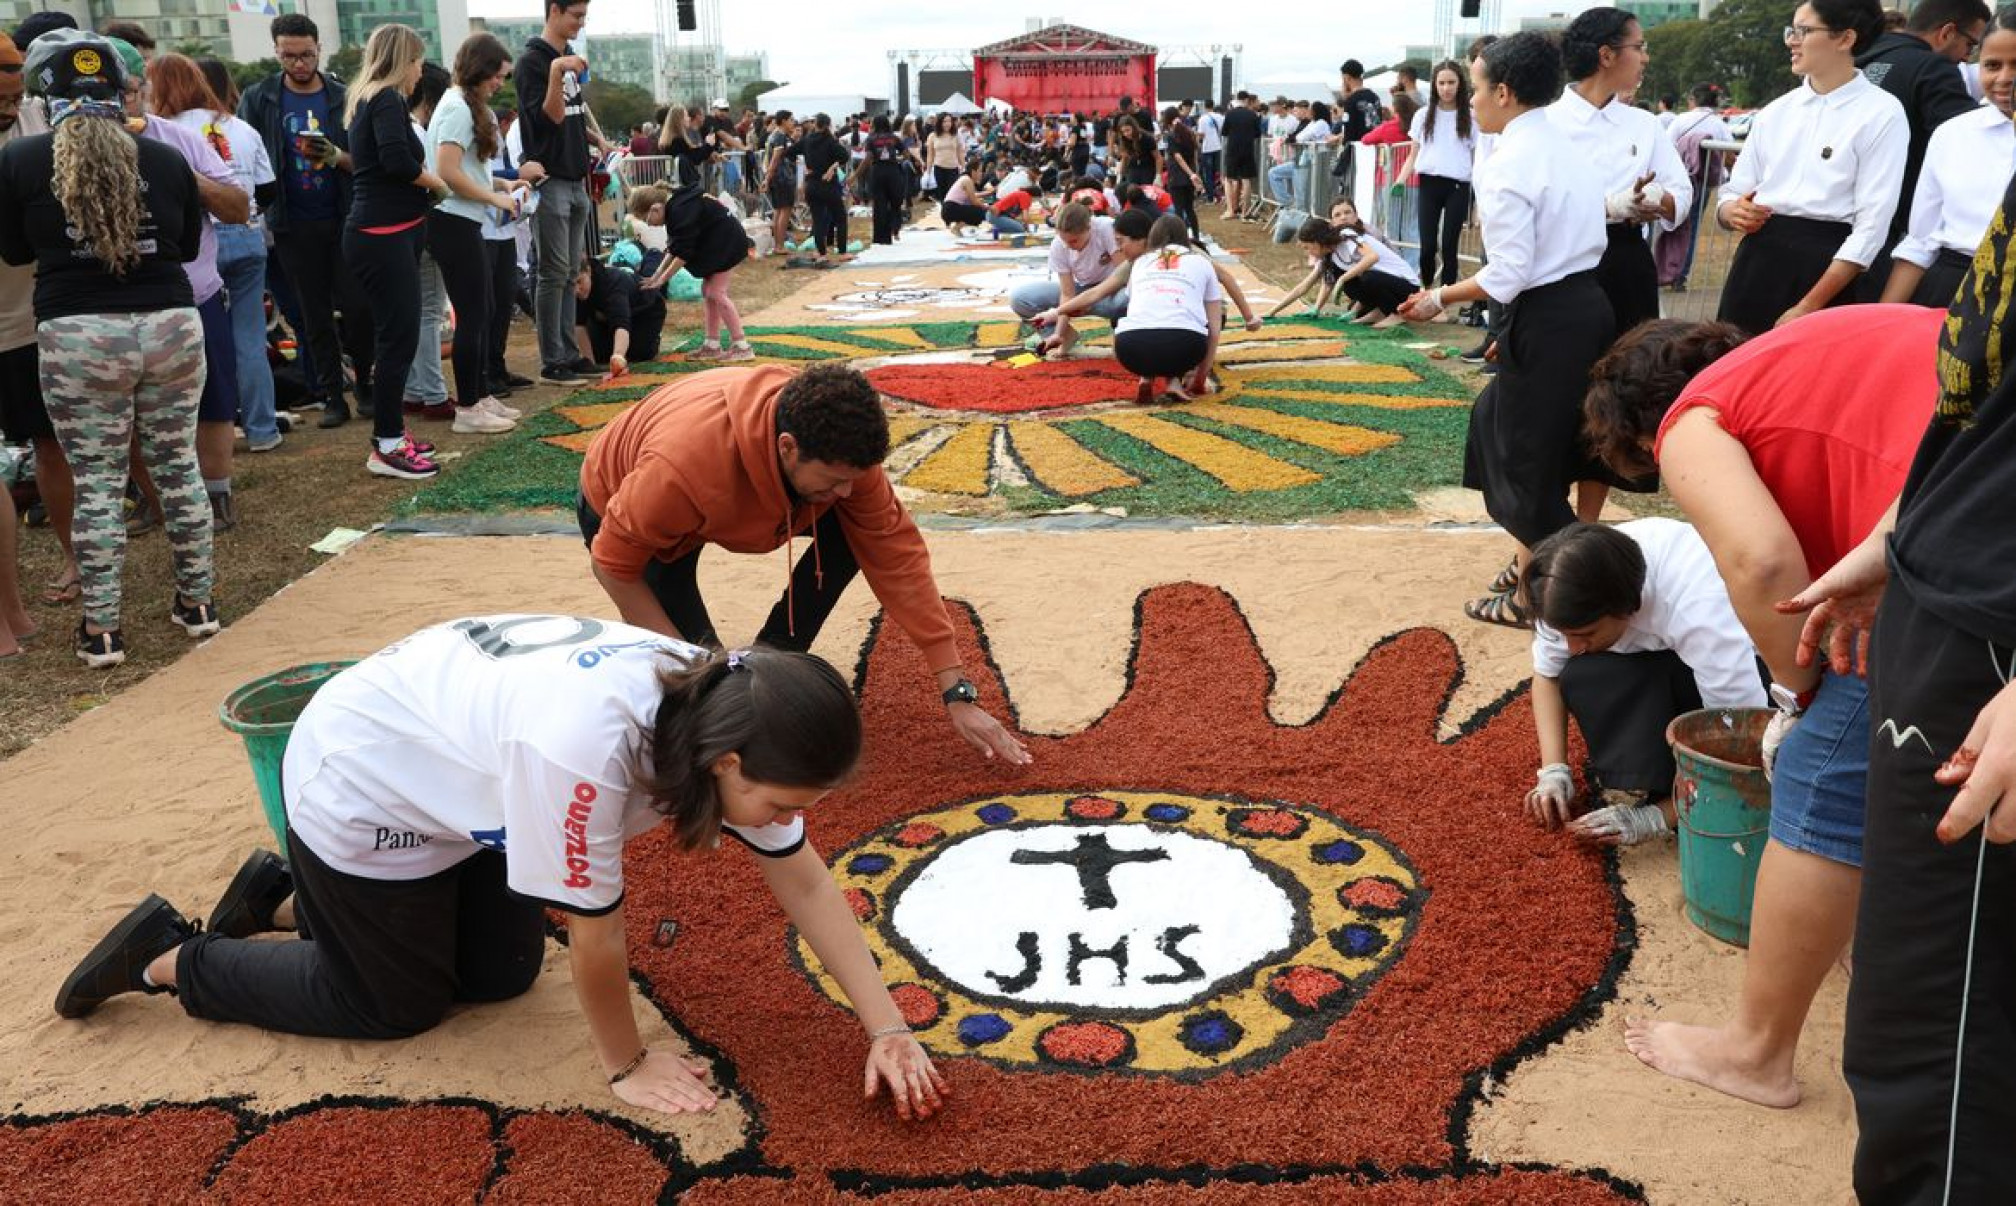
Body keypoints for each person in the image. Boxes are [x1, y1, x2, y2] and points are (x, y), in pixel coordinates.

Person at [53, 625, 950, 1123]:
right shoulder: (588, 756)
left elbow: (805, 882)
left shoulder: (727, 707)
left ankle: (287, 898)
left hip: (460, 785)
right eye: (781, 800)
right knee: (390, 1006)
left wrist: (884, 1027)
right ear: (723, 765)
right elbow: (601, 939)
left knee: (503, 975)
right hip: (364, 788)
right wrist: (626, 1064)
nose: (790, 820)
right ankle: (170, 956)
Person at [1575, 305, 1943, 1111]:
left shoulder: (1695, 417)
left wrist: (1798, 693)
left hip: (1959, 555)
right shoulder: (1818, 344)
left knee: (1821, 783)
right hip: (1971, 517)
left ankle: (1757, 1053)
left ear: (1644, 431)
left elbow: (1763, 558)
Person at [1778, 162, 2016, 1206]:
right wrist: (1899, 532)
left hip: (1993, 644)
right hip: (1951, 579)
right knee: (1914, 1033)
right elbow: (1985, 387)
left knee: (1944, 1058)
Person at [576, 363, 1032, 765]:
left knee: (856, 533)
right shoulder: (682, 468)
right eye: (835, 481)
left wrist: (955, 688)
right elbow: (614, 563)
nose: (847, 492)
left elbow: (897, 556)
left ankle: (775, 657)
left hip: (712, 488)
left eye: (854, 480)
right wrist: (688, 667)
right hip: (624, 507)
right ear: (788, 447)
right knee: (711, 697)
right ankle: (713, 685)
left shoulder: (842, 454)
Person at [0, 31, 222, 667]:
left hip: (78, 332)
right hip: (172, 324)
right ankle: (198, 604)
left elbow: (15, 251)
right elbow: (180, 245)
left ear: (47, 95)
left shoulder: (19, 161)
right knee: (177, 465)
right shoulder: (162, 157)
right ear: (119, 91)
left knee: (96, 480)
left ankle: (103, 632)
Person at [1396, 32, 1613, 628]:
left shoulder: (1511, 162)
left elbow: (1510, 272)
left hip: (1549, 316)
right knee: (1510, 432)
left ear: (1505, 92)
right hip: (1579, 308)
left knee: (1524, 460)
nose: (1469, 100)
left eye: (1475, 87)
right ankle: (1538, 567)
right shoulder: (1565, 144)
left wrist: (1438, 297)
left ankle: (1562, 582)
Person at [1521, 519, 1766, 846]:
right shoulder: (1563, 587)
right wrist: (1553, 769)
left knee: (1764, 754)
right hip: (1662, 656)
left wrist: (1657, 817)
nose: (1572, 647)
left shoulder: (1700, 611)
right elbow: (1547, 675)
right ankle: (1659, 775)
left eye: (1584, 635)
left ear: (1628, 608)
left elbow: (1742, 737)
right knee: (1580, 674)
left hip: (1751, 665)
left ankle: (1677, 794)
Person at [1713, 0, 1907, 335]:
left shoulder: (1882, 113)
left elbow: (1871, 226)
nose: (1791, 40)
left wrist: (1810, 305)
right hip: (1758, 259)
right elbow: (1732, 191)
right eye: (1791, 30)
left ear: (1845, 38)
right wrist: (1732, 211)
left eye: (1803, 30)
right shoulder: (1775, 112)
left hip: (1829, 267)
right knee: (1733, 366)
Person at [237, 11, 375, 428]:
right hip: (292, 223)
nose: (299, 63)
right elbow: (249, 156)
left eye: (306, 55)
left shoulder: (341, 96)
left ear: (319, 50)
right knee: (312, 315)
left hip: (343, 216)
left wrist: (336, 156)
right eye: (289, 56)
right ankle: (333, 395)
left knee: (358, 307)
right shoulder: (259, 98)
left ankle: (365, 385)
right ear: (277, 53)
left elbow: (366, 161)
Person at [343, 24, 448, 480]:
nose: (420, 71)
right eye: (418, 61)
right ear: (403, 60)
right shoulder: (384, 98)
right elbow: (397, 162)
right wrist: (435, 182)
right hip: (381, 233)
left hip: (390, 231)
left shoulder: (371, 99)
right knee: (398, 338)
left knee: (398, 336)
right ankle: (386, 444)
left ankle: (391, 433)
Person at [1551, 7, 1693, 338]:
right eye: (1639, 47)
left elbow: (1682, 194)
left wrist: (1656, 199)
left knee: (1631, 369)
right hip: (1564, 262)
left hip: (1628, 260)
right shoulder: (1546, 124)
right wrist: (1610, 205)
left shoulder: (1645, 124)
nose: (1646, 57)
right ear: (1606, 55)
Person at [0, 28, 77, 618]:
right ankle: (13, 610)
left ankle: (77, 560)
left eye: (14, 81)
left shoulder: (43, 123)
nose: (9, 100)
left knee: (54, 447)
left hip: (39, 320)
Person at [1852, 0, 1991, 300]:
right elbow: (1971, 143)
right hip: (1887, 230)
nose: (1968, 57)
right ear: (1947, 32)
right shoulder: (1934, 68)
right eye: (1970, 45)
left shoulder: (1858, 58)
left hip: (1834, 223)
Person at [1881, 7, 2014, 309]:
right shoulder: (1953, 134)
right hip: (1952, 292)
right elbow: (1920, 241)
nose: (2005, 78)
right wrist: (1885, 315)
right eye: (1992, 65)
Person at [429, 32, 526, 435]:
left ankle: (479, 393)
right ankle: (467, 407)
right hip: (452, 219)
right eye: (497, 76)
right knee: (473, 314)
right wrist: (495, 197)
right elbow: (446, 171)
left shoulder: (465, 105)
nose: (500, 84)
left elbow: (465, 168)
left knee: (483, 309)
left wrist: (501, 186)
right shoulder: (456, 107)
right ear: (479, 69)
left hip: (463, 218)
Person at [189, 58, 284, 457]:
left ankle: (214, 435)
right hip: (247, 234)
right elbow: (268, 188)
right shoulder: (244, 128)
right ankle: (262, 429)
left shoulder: (169, 127)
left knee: (205, 343)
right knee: (250, 338)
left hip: (200, 240)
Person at [515, 0, 596, 386]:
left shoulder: (566, 57)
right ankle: (553, 361)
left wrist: (594, 140)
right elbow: (549, 118)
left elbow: (574, 114)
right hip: (550, 180)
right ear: (554, 12)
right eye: (576, 15)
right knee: (551, 272)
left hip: (576, 177)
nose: (581, 23)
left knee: (567, 273)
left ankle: (569, 352)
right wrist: (555, 71)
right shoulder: (534, 61)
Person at [1007, 201, 1127, 358]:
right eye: (1064, 240)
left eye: (1074, 241)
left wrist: (1087, 300)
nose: (1069, 246)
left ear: (1089, 227)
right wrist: (1058, 334)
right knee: (1020, 298)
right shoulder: (1059, 245)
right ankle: (1067, 337)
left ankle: (1124, 332)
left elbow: (1124, 275)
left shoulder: (1106, 228)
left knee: (1129, 297)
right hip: (1083, 291)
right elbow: (1067, 294)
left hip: (1114, 291)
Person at [1397, 60, 1478, 289]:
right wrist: (1400, 180)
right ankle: (1426, 290)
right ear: (1434, 85)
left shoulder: (1471, 117)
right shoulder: (1423, 115)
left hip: (1458, 186)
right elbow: (1413, 154)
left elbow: (1476, 157)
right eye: (1441, 83)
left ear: (1460, 84)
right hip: (1429, 184)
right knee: (1428, 246)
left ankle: (1444, 297)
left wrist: (1479, 195)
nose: (1446, 88)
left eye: (1451, 82)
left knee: (1449, 245)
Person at [1272, 211, 1419, 326]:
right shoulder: (1330, 255)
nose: (1308, 253)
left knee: (1365, 277)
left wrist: (1343, 279)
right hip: (1385, 284)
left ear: (1318, 241)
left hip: (1407, 286)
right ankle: (1380, 312)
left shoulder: (1346, 236)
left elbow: (1372, 257)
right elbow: (1303, 286)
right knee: (1350, 283)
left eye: (1308, 247)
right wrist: (1272, 312)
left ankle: (1396, 314)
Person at [662, 183, 753, 361]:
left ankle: (742, 345)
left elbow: (682, 252)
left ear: (656, 207)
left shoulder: (681, 210)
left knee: (716, 293)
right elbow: (675, 248)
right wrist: (658, 277)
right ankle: (712, 343)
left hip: (728, 244)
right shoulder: (683, 206)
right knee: (708, 292)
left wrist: (663, 278)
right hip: (721, 243)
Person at [1653, 83, 1731, 290]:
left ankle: (1663, 268)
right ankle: (1681, 274)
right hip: (1703, 182)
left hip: (1677, 181)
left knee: (1667, 224)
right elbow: (1730, 155)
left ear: (1692, 100)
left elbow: (1666, 147)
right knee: (1692, 227)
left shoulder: (1681, 120)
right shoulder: (1719, 124)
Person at [574, 255, 665, 375]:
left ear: (589, 271)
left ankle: (653, 255)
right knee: (600, 355)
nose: (576, 290)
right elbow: (579, 325)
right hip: (605, 317)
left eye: (579, 281)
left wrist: (618, 356)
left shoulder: (612, 283)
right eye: (571, 284)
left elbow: (621, 324)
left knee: (639, 354)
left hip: (644, 311)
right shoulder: (576, 291)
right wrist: (590, 362)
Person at [862, 115, 916, 245]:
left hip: (877, 172)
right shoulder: (894, 138)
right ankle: (894, 228)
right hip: (892, 172)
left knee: (879, 205)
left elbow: (868, 159)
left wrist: (855, 175)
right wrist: (897, 159)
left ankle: (880, 237)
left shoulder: (870, 139)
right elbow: (907, 154)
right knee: (895, 202)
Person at [1162, 105, 1203, 242]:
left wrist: (1190, 173)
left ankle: (1181, 238)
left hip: (1177, 176)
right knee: (1190, 208)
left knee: (1178, 210)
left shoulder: (1171, 136)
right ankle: (1196, 236)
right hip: (1189, 176)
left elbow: (1178, 157)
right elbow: (1195, 155)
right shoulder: (1189, 133)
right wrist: (1194, 174)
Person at [1219, 92, 1262, 219]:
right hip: (1248, 149)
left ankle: (1231, 210)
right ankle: (1245, 212)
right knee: (1246, 179)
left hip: (1233, 149)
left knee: (1229, 179)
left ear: (1237, 100)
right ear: (1247, 100)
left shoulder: (1230, 114)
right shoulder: (1252, 114)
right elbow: (1257, 134)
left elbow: (1224, 132)